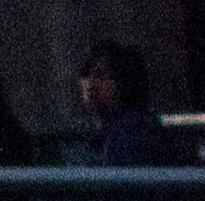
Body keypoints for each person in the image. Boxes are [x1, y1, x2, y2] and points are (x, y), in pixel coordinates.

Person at [77, 40, 187, 168]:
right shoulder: (103, 129)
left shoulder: (135, 132)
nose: (91, 84)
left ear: (123, 81)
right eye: (87, 76)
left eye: (101, 75)